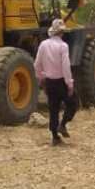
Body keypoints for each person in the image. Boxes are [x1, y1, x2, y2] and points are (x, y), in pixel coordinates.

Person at [34, 18, 77, 146]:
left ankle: (55, 137)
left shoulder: (43, 45)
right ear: (62, 32)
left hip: (49, 82)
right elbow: (66, 66)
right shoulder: (63, 46)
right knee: (73, 103)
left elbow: (37, 64)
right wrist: (69, 84)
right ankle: (62, 124)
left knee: (53, 109)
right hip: (61, 82)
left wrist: (41, 78)